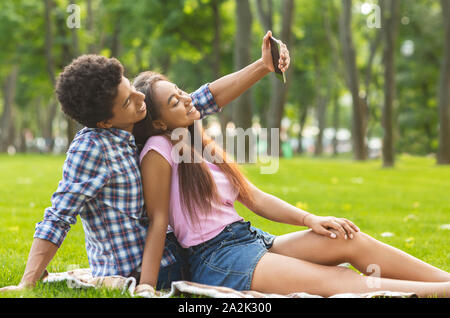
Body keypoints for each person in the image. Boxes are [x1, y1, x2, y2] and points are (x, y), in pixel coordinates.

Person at [0, 31, 291, 293]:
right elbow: (59, 216)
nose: (140, 98)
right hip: (138, 272)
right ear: (104, 122)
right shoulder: (91, 150)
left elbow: (204, 98)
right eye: (127, 101)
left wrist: (263, 65)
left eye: (131, 88)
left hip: (180, 258)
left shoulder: (139, 124)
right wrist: (28, 283)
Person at [132, 76, 450, 297]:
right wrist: (146, 287)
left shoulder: (197, 140)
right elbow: (159, 222)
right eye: (175, 101)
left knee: (348, 239)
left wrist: (309, 220)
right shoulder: (158, 150)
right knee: (340, 280)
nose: (187, 98)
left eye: (180, 91)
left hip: (249, 239)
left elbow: (253, 197)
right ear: (159, 123)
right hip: (218, 259)